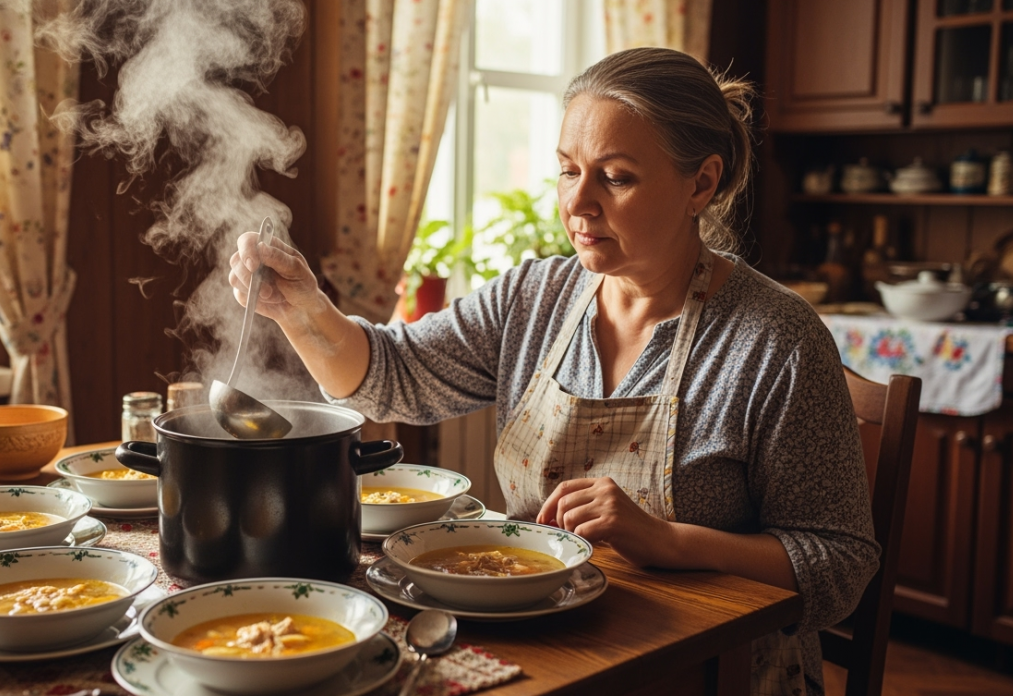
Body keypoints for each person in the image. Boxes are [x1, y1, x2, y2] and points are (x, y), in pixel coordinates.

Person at [227, 47, 879, 696]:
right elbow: (392, 375)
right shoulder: (533, 298)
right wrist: (302, 308)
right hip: (547, 648)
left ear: (701, 184)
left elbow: (839, 565)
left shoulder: (777, 340)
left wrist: (668, 540)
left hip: (713, 671)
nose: (579, 204)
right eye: (568, 171)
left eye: (616, 178)